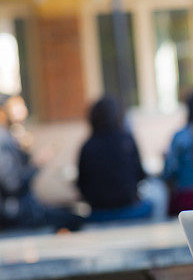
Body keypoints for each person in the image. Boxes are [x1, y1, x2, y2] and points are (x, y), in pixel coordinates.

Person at [0, 94, 83, 232]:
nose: (22, 111)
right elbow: (12, 184)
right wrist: (37, 164)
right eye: (15, 107)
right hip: (16, 212)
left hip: (24, 209)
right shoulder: (3, 140)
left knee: (72, 214)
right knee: (74, 219)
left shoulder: (12, 136)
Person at [77, 96, 166, 222]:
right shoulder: (126, 141)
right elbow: (140, 175)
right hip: (130, 211)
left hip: (98, 214)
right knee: (158, 194)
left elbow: (81, 185)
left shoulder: (87, 146)